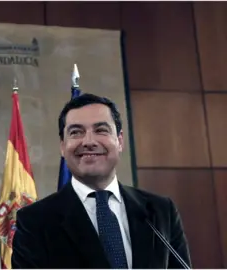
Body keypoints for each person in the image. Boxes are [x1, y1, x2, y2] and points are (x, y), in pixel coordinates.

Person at [11, 93, 191, 269]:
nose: (89, 141)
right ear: (62, 146)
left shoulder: (160, 211)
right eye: (76, 132)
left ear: (119, 141)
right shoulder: (35, 221)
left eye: (101, 130)